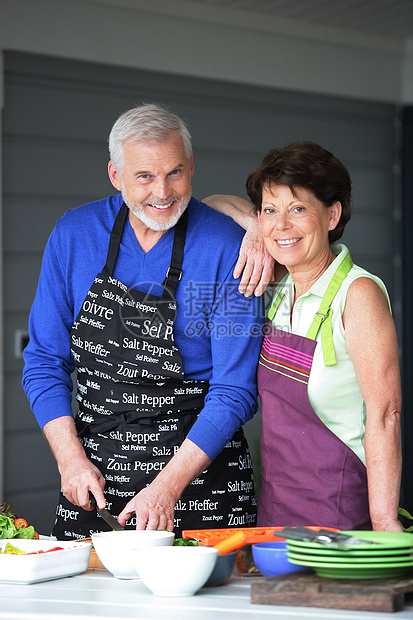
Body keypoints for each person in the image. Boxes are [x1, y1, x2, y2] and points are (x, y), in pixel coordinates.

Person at [22, 103, 264, 539]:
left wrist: (166, 489)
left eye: (175, 172)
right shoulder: (74, 235)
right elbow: (43, 361)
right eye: (144, 177)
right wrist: (69, 460)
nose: (163, 191)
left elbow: (236, 390)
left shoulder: (229, 247)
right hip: (94, 485)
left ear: (191, 166)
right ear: (115, 176)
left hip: (202, 489)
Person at [206, 141, 402, 532]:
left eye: (298, 209)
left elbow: (386, 416)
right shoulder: (276, 284)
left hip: (340, 512)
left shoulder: (357, 294)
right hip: (276, 510)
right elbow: (211, 202)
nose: (283, 224)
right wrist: (257, 229)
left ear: (332, 214)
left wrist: (383, 522)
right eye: (270, 210)